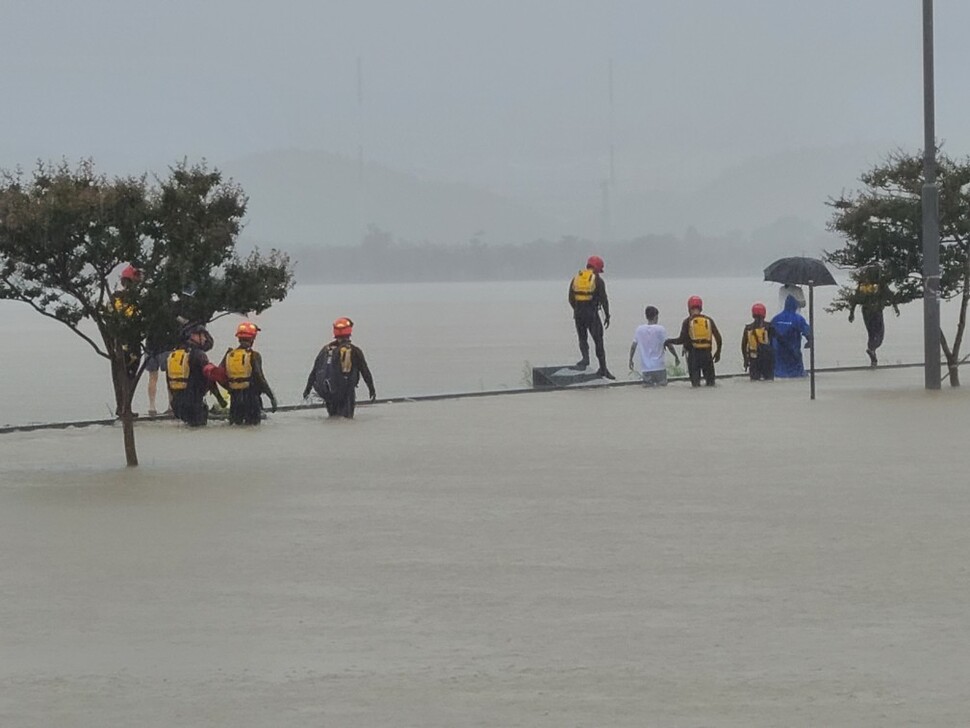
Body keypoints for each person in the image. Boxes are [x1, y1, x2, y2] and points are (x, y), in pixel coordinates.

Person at [302, 317, 376, 419]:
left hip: (329, 393)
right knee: (347, 420)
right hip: (347, 392)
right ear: (349, 332)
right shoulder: (354, 350)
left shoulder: (326, 350)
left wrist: (307, 390)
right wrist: (371, 389)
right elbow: (365, 371)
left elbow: (314, 372)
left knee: (333, 418)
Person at [166, 323, 226, 427]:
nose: (204, 339)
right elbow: (210, 378)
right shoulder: (198, 354)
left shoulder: (174, 355)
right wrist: (220, 400)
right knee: (198, 430)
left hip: (177, 405)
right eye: (202, 335)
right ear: (193, 336)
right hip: (194, 404)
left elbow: (169, 381)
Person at [220, 321, 278, 425]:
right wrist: (271, 397)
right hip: (251, 400)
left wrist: (231, 388)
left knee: (235, 427)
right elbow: (260, 378)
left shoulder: (229, 355)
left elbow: (219, 375)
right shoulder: (254, 355)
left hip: (235, 400)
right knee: (252, 430)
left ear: (238, 338)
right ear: (253, 338)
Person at [568, 255, 614, 379]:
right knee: (598, 340)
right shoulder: (598, 280)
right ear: (597, 268)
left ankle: (585, 359)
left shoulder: (576, 278)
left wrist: (577, 310)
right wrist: (607, 315)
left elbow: (570, 298)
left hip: (578, 314)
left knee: (582, 338)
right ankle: (603, 368)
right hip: (592, 314)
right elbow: (604, 300)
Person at [666, 296, 722, 387]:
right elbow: (718, 338)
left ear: (689, 308)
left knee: (695, 386)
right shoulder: (708, 320)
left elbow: (681, 339)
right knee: (711, 384)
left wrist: (669, 341)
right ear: (701, 308)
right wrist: (718, 352)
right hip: (707, 355)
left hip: (693, 356)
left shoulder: (687, 321)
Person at [847, 267, 899, 367]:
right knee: (880, 334)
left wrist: (851, 313)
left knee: (871, 333)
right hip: (876, 311)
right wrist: (895, 307)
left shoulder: (863, 285)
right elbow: (890, 295)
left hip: (866, 312)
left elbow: (855, 299)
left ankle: (873, 356)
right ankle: (872, 349)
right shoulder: (880, 284)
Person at [628, 305, 679, 386]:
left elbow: (633, 347)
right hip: (659, 367)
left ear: (646, 316)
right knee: (662, 389)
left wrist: (630, 360)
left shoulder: (639, 330)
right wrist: (676, 356)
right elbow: (669, 345)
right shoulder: (660, 329)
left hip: (646, 368)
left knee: (648, 390)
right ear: (656, 316)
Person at [771, 294, 812, 378]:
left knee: (779, 372)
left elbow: (769, 333)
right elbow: (807, 332)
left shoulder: (775, 318)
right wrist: (810, 342)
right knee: (797, 374)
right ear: (795, 306)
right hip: (793, 352)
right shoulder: (798, 319)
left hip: (778, 352)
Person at [741, 302, 774, 381]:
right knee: (768, 381)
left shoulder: (748, 328)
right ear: (764, 314)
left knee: (754, 381)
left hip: (753, 360)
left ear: (753, 314)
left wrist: (745, 360)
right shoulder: (769, 327)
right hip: (767, 360)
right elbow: (775, 342)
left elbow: (743, 346)